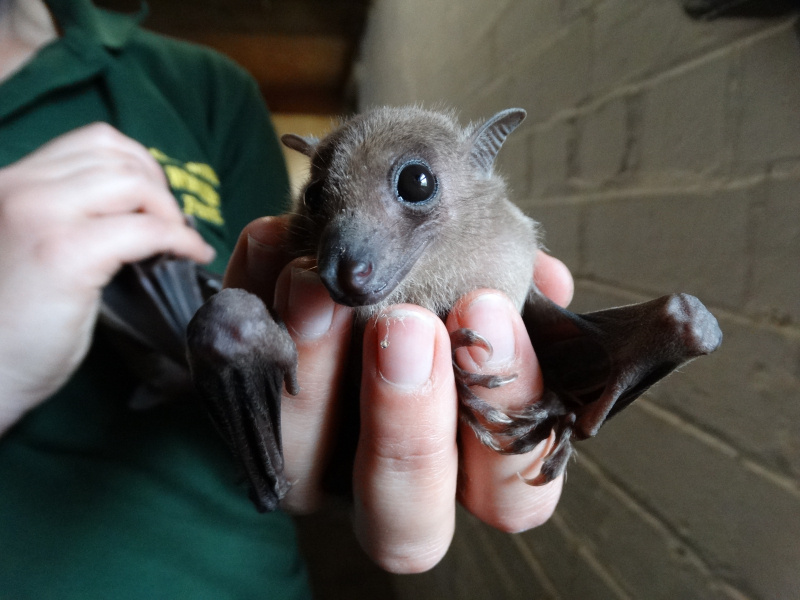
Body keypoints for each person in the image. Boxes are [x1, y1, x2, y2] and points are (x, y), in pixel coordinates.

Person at [0, 0, 571, 597]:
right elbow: (247, 320)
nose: (353, 241)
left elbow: (258, 310)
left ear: (480, 163)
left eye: (415, 185)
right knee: (232, 327)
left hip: (246, 573)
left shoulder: (203, 88)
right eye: (324, 198)